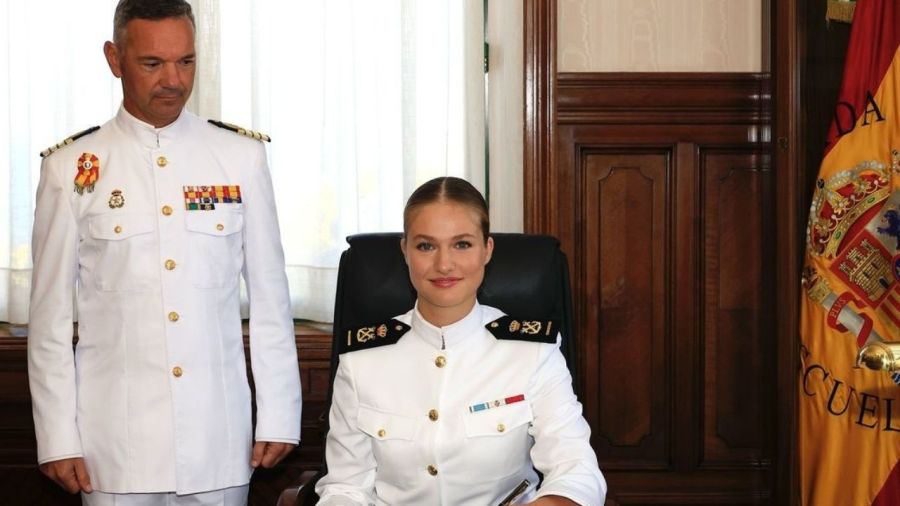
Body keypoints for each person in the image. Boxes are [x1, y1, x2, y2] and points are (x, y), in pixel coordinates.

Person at [27, 1, 301, 504]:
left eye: (186, 61)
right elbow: (48, 321)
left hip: (218, 442)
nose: (173, 80)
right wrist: (57, 439)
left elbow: (270, 301)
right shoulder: (71, 168)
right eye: (152, 64)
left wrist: (280, 415)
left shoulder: (240, 157)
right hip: (113, 447)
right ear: (115, 59)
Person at [315, 177, 606, 505]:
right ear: (405, 252)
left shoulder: (533, 351)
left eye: (462, 244)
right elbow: (345, 488)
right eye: (426, 245)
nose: (443, 264)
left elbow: (576, 468)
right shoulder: (362, 360)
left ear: (487, 250)